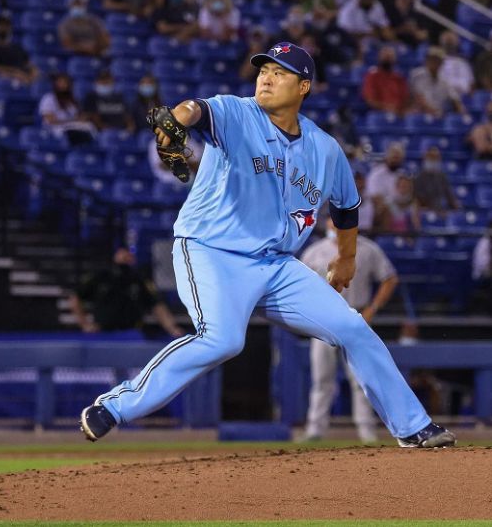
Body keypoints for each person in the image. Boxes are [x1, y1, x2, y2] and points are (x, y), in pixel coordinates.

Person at [80, 41, 456, 449]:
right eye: (263, 70)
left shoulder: (325, 149)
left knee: (353, 327)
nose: (266, 78)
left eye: (279, 73)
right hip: (211, 251)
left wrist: (347, 258)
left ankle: (412, 427)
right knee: (222, 339)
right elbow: (196, 110)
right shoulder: (237, 113)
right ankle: (114, 406)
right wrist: (177, 119)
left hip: (276, 265)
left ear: (304, 87)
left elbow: (346, 208)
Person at [302, 218, 399, 443]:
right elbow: (301, 286)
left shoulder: (367, 248)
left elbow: (389, 278)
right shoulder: (314, 251)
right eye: (332, 221)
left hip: (356, 315)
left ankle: (366, 432)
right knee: (321, 378)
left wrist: (373, 309)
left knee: (361, 378)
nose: (335, 226)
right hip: (324, 318)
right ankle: (315, 430)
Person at [71, 247, 184, 337]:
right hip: (102, 333)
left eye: (127, 254)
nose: (124, 256)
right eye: (121, 253)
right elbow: (75, 297)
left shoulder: (139, 279)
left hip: (131, 333)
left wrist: (172, 328)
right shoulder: (101, 277)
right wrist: (84, 324)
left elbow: (157, 305)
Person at [38, 72, 96, 144]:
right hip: (55, 128)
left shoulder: (72, 100)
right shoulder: (48, 98)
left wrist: (82, 117)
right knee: (73, 133)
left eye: (65, 82)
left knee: (90, 126)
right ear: (55, 84)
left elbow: (77, 116)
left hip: (72, 126)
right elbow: (50, 120)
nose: (63, 85)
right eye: (60, 82)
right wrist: (73, 120)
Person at [409, 46, 465, 117]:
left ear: (441, 63)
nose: (433, 62)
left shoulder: (444, 80)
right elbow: (418, 98)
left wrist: (463, 114)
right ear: (426, 60)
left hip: (439, 115)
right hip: (420, 114)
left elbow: (455, 99)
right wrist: (434, 112)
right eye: (431, 59)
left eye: (436, 60)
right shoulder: (417, 75)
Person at [0, 15, 38, 84]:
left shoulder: (18, 48)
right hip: (5, 83)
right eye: (0, 25)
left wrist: (33, 73)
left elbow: (29, 65)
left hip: (23, 81)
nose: (3, 28)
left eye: (6, 25)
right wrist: (15, 73)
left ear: (10, 28)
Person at [361, 45, 409, 116]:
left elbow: (405, 98)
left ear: (395, 59)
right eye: (385, 57)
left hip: (398, 114)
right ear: (379, 58)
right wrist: (387, 108)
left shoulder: (399, 77)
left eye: (390, 57)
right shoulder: (372, 76)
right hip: (379, 114)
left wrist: (401, 110)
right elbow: (370, 100)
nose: (387, 60)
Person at [413, 146, 459, 212]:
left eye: (436, 158)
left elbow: (449, 194)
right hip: (425, 210)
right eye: (431, 157)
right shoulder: (419, 177)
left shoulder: (442, 176)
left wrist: (456, 206)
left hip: (440, 209)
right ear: (425, 158)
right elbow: (418, 198)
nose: (434, 160)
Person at [438, 30, 474, 97]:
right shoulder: (438, 62)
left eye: (451, 44)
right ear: (442, 44)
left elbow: (471, 84)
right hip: (444, 97)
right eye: (447, 44)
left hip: (463, 97)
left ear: (457, 44)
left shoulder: (464, 63)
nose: (449, 46)